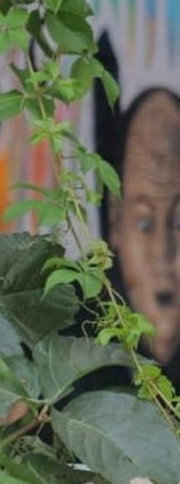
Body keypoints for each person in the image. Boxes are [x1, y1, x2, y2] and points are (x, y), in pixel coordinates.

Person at [107, 88, 180, 384]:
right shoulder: (71, 323)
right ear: (116, 222)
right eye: (144, 224)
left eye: (179, 222)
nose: (163, 253)